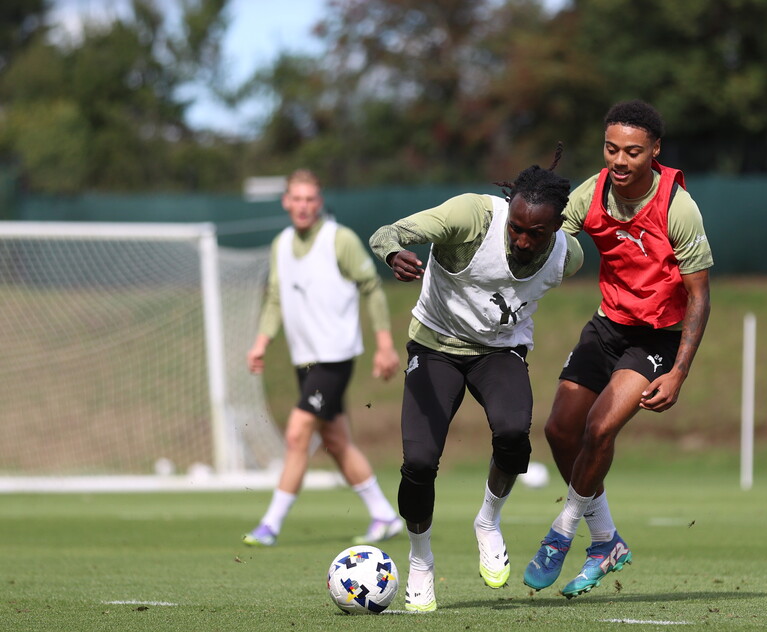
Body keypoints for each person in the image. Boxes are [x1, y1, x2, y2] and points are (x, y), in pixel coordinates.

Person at [368, 147, 583, 612]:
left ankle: (487, 521)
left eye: (537, 233)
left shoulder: (569, 256)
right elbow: (387, 232)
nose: (524, 241)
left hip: (500, 352)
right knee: (420, 462)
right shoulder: (471, 216)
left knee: (512, 433)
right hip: (436, 346)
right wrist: (393, 254)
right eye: (517, 229)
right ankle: (421, 562)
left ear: (558, 228)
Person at [523, 100, 714, 598]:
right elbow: (550, 235)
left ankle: (564, 531)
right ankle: (606, 540)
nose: (620, 161)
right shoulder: (592, 193)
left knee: (600, 426)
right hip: (606, 326)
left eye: (633, 151)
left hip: (656, 338)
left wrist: (679, 373)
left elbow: (699, 295)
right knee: (560, 430)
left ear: (654, 151)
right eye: (612, 149)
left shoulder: (678, 207)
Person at [242, 169, 402, 548]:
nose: (303, 206)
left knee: (298, 433)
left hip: (335, 356)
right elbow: (277, 298)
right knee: (335, 440)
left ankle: (270, 524)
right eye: (296, 199)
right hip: (305, 359)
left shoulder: (339, 239)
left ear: (319, 201)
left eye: (310, 199)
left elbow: (372, 287)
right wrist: (261, 341)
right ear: (286, 202)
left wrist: (384, 344)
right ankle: (383, 515)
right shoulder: (281, 244)